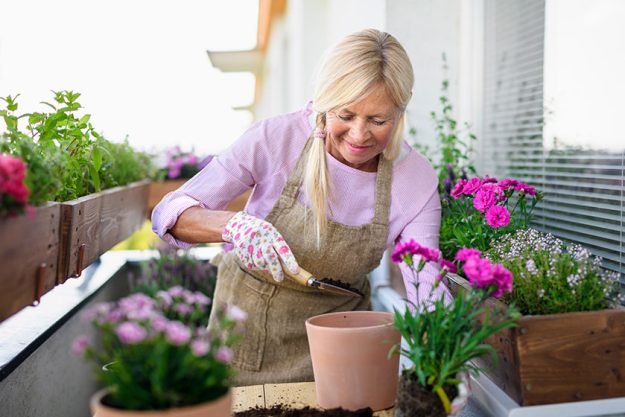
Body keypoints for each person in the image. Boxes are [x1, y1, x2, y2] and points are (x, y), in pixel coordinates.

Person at [152, 28, 451, 385]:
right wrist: (234, 225)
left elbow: (426, 282)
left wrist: (446, 360)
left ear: (401, 112)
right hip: (248, 338)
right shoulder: (277, 140)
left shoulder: (413, 179)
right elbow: (169, 213)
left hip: (342, 346)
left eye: (378, 120)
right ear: (324, 101)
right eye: (346, 114)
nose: (358, 135)